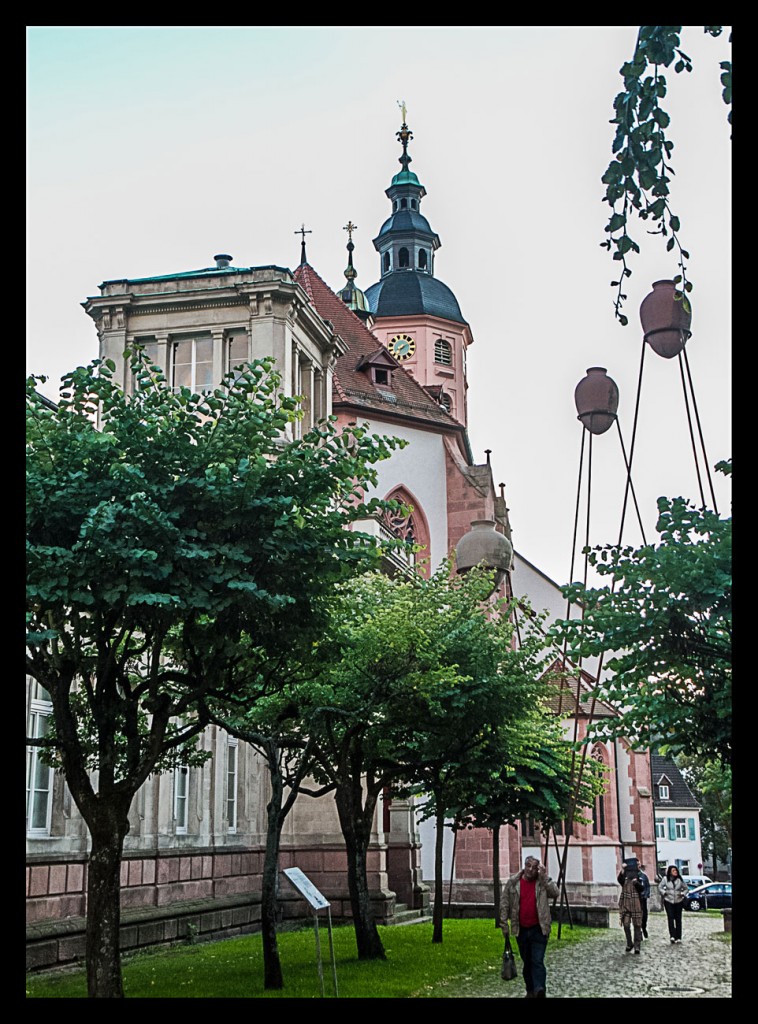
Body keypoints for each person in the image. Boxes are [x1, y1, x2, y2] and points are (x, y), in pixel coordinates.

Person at [500, 855, 560, 998]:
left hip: (539, 928)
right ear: (524, 866)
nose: (530, 870)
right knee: (527, 961)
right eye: (528, 866)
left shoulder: (542, 882)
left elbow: (555, 893)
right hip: (521, 929)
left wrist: (545, 877)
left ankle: (540, 989)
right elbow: (505, 903)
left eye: (534, 868)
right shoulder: (514, 883)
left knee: (537, 960)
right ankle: (530, 990)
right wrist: (504, 924)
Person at [617, 857, 644, 953]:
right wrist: (623, 870)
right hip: (626, 903)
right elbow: (620, 880)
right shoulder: (625, 875)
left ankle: (637, 946)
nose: (639, 865)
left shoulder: (641, 875)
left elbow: (642, 889)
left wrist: (636, 883)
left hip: (636, 903)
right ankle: (629, 943)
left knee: (637, 924)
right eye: (638, 863)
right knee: (626, 924)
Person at [659, 865, 689, 943]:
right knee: (670, 918)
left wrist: (683, 893)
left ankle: (678, 937)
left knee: (678, 919)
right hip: (668, 900)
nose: (675, 872)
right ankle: (672, 935)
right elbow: (660, 887)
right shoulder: (665, 879)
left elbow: (686, 888)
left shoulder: (680, 880)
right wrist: (664, 893)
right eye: (673, 870)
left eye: (676, 870)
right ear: (670, 872)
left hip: (678, 901)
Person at [637, 862, 651, 938]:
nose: (638, 866)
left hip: (643, 898)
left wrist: (646, 895)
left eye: (639, 865)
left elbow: (648, 886)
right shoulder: (632, 876)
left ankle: (644, 927)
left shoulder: (644, 876)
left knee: (644, 915)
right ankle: (639, 931)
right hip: (636, 899)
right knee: (636, 916)